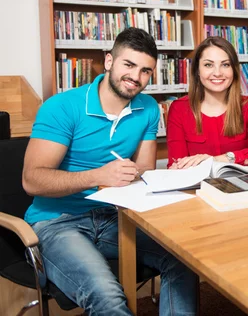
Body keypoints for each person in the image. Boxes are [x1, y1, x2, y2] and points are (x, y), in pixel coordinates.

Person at [22, 28, 198, 316]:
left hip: (116, 216)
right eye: (128, 65)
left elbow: (143, 170)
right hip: (57, 222)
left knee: (184, 260)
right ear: (108, 62)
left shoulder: (149, 108)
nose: (136, 77)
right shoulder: (62, 107)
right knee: (108, 296)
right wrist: (97, 176)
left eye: (145, 71)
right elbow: (32, 180)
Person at [167, 36, 248, 168]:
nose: (218, 73)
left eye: (225, 65)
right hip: (198, 186)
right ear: (197, 70)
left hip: (241, 183)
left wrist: (219, 160)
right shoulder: (179, 108)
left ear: (234, 70)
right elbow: (176, 162)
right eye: (208, 65)